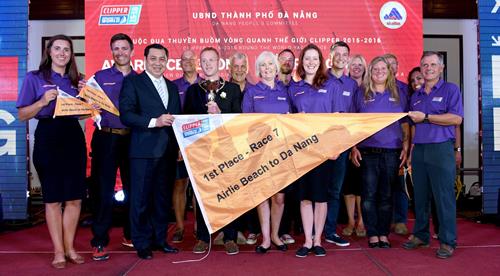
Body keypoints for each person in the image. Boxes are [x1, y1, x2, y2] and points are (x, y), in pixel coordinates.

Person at [17, 34, 86, 268]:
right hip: (48, 137)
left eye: (66, 49)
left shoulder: (79, 80)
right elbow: (22, 115)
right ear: (49, 52)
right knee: (54, 199)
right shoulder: (34, 78)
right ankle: (58, 250)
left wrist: (91, 105)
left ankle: (70, 248)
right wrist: (42, 102)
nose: (62, 53)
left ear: (71, 54)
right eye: (57, 49)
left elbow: (83, 114)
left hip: (73, 137)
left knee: (75, 198)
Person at [119, 43, 180, 260]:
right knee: (140, 199)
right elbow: (126, 114)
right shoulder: (133, 82)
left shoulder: (172, 87)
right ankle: (141, 242)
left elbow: (177, 119)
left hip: (167, 153)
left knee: (162, 199)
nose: (157, 63)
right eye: (153, 58)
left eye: (161, 59)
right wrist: (155, 121)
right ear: (145, 60)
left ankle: (160, 239)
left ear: (167, 61)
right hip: (143, 152)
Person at [404, 51, 463, 259]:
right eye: (424, 65)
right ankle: (420, 235)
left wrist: (427, 117)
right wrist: (411, 151)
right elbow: (412, 128)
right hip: (419, 150)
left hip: (441, 149)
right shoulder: (416, 96)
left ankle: (447, 241)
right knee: (420, 197)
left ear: (441, 68)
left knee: (444, 197)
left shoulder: (450, 89)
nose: (428, 68)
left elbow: (456, 119)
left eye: (432, 65)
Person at [184, 47, 242, 255]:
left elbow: (239, 119)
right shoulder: (193, 91)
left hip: (227, 149)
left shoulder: (233, 89)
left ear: (220, 63)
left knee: (229, 192)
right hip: (202, 150)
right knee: (203, 194)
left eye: (212, 60)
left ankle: (230, 237)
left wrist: (221, 113)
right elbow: (186, 121)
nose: (208, 64)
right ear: (200, 64)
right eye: (204, 61)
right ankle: (203, 236)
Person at [288, 43, 343, 258]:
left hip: (325, 151)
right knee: (305, 198)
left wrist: (335, 146)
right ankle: (307, 241)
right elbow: (290, 121)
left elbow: (338, 118)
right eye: (307, 58)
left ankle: (318, 240)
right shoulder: (294, 88)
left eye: (315, 58)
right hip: (303, 151)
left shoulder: (332, 86)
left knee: (321, 197)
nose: (311, 62)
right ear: (302, 63)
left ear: (321, 62)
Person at [350, 56, 409, 249]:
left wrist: (406, 146)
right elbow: (353, 122)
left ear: (389, 72)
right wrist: (354, 147)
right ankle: (373, 233)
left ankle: (384, 233)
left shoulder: (400, 92)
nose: (379, 72)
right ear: (370, 72)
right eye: (375, 69)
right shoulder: (361, 93)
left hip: (392, 152)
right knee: (368, 196)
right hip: (368, 152)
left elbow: (405, 122)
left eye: (383, 68)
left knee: (386, 195)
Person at [89, 33, 136, 261]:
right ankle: (99, 241)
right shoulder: (99, 77)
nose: (120, 52)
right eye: (116, 48)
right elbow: (87, 105)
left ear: (132, 51)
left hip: (132, 139)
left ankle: (131, 235)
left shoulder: (140, 79)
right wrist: (90, 105)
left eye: (124, 48)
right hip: (105, 138)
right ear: (111, 51)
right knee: (103, 190)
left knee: (133, 188)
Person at [242, 51, 291, 253]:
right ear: (258, 69)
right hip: (260, 152)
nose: (268, 68)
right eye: (263, 65)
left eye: (271, 64)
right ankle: (265, 240)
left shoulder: (285, 90)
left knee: (279, 197)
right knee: (262, 195)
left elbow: (295, 119)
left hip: (281, 151)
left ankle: (275, 235)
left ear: (276, 67)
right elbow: (245, 123)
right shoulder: (252, 92)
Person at [323, 41, 358, 247]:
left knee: (335, 190)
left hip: (342, 145)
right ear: (331, 55)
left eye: (345, 54)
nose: (341, 56)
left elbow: (354, 118)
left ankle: (329, 231)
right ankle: (312, 230)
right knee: (316, 189)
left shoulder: (352, 85)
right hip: (318, 144)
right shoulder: (319, 79)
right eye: (337, 53)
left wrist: (353, 146)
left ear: (348, 58)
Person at [171, 49, 202, 244]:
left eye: (192, 58)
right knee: (179, 185)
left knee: (200, 187)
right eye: (185, 59)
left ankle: (200, 227)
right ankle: (180, 227)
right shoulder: (173, 86)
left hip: (202, 144)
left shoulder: (207, 84)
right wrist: (177, 145)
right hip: (179, 143)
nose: (188, 61)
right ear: (180, 63)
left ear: (197, 62)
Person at [383, 53, 411, 236]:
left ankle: (400, 220)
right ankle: (385, 221)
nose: (391, 68)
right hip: (380, 145)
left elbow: (408, 119)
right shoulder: (373, 88)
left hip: (399, 145)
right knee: (383, 186)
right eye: (387, 65)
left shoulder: (404, 89)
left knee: (400, 185)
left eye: (394, 64)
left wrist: (406, 146)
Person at [342, 54, 367, 237]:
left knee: (362, 186)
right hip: (345, 142)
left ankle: (362, 222)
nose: (356, 67)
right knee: (349, 185)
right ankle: (351, 220)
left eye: (360, 65)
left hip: (366, 142)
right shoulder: (343, 86)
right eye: (353, 65)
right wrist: (351, 146)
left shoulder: (369, 88)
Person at [276, 48, 299, 245]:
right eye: (283, 58)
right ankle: (262, 230)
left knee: (289, 192)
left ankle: (284, 230)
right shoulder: (269, 84)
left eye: (290, 59)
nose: (287, 62)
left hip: (292, 146)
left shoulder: (298, 87)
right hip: (270, 146)